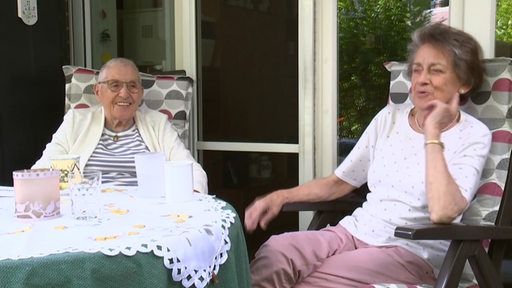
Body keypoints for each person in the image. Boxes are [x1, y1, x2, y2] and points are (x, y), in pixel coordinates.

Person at [244, 23, 491, 287]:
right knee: (276, 253)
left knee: (316, 281)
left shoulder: (473, 134)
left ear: (464, 83)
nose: (421, 79)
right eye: (417, 69)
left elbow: (443, 212)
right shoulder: (389, 118)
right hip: (354, 232)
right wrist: (280, 196)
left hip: (411, 252)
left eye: (436, 70)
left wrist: (432, 132)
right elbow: (339, 182)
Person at [33, 57, 208, 193]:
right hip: (89, 213)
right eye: (114, 85)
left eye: (132, 86)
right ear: (97, 91)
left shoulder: (157, 123)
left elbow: (192, 171)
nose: (124, 94)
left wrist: (190, 199)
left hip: (146, 215)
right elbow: (42, 170)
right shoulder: (76, 122)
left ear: (140, 93)